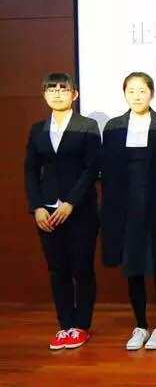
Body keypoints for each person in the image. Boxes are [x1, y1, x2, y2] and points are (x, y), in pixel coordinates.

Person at [100, 72, 156, 351]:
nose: (137, 96)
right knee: (133, 268)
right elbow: (108, 174)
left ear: (152, 94)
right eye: (131, 91)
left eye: (142, 91)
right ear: (124, 94)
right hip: (126, 211)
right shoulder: (113, 127)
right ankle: (140, 325)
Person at [24, 72, 101, 350]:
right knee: (58, 270)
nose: (57, 93)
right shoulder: (37, 129)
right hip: (47, 212)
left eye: (63, 89)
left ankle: (81, 326)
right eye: (51, 89)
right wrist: (36, 207)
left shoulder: (88, 126)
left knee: (81, 267)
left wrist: (71, 202)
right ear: (44, 94)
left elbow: (92, 168)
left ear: (74, 94)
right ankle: (65, 326)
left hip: (80, 210)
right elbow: (30, 170)